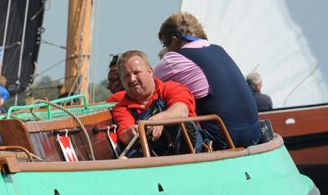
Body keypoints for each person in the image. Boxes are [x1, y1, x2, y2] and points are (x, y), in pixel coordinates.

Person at [155, 11, 261, 148]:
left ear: (174, 40)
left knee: (158, 99)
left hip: (225, 137)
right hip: (254, 132)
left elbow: (145, 86)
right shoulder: (219, 49)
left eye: (165, 44)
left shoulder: (174, 58)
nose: (167, 49)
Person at [110, 50, 197, 157]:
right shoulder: (121, 107)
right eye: (126, 76)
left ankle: (185, 150)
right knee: (133, 154)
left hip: (189, 150)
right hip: (150, 154)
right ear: (122, 81)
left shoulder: (172, 88)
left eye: (136, 73)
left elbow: (182, 110)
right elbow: (124, 134)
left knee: (185, 127)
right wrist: (131, 132)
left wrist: (159, 119)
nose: (132, 79)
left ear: (150, 72)